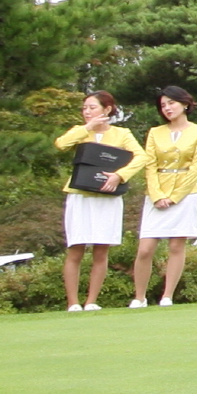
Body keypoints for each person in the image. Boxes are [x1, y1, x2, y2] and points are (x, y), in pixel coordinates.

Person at [54, 92, 150, 311]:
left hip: (107, 197)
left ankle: (91, 301)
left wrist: (120, 175)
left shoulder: (121, 133)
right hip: (80, 195)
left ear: (107, 110)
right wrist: (87, 127)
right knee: (76, 248)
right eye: (85, 108)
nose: (87, 112)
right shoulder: (81, 132)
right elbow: (61, 144)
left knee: (101, 250)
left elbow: (141, 156)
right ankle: (73, 303)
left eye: (92, 107)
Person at [132, 86, 197, 308]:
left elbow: (196, 167)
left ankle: (167, 295)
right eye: (163, 105)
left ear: (185, 104)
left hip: (186, 193)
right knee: (146, 247)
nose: (167, 108)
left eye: (171, 103)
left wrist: (175, 197)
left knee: (177, 245)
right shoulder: (155, 132)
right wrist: (157, 195)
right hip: (157, 191)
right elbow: (150, 165)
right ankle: (139, 297)